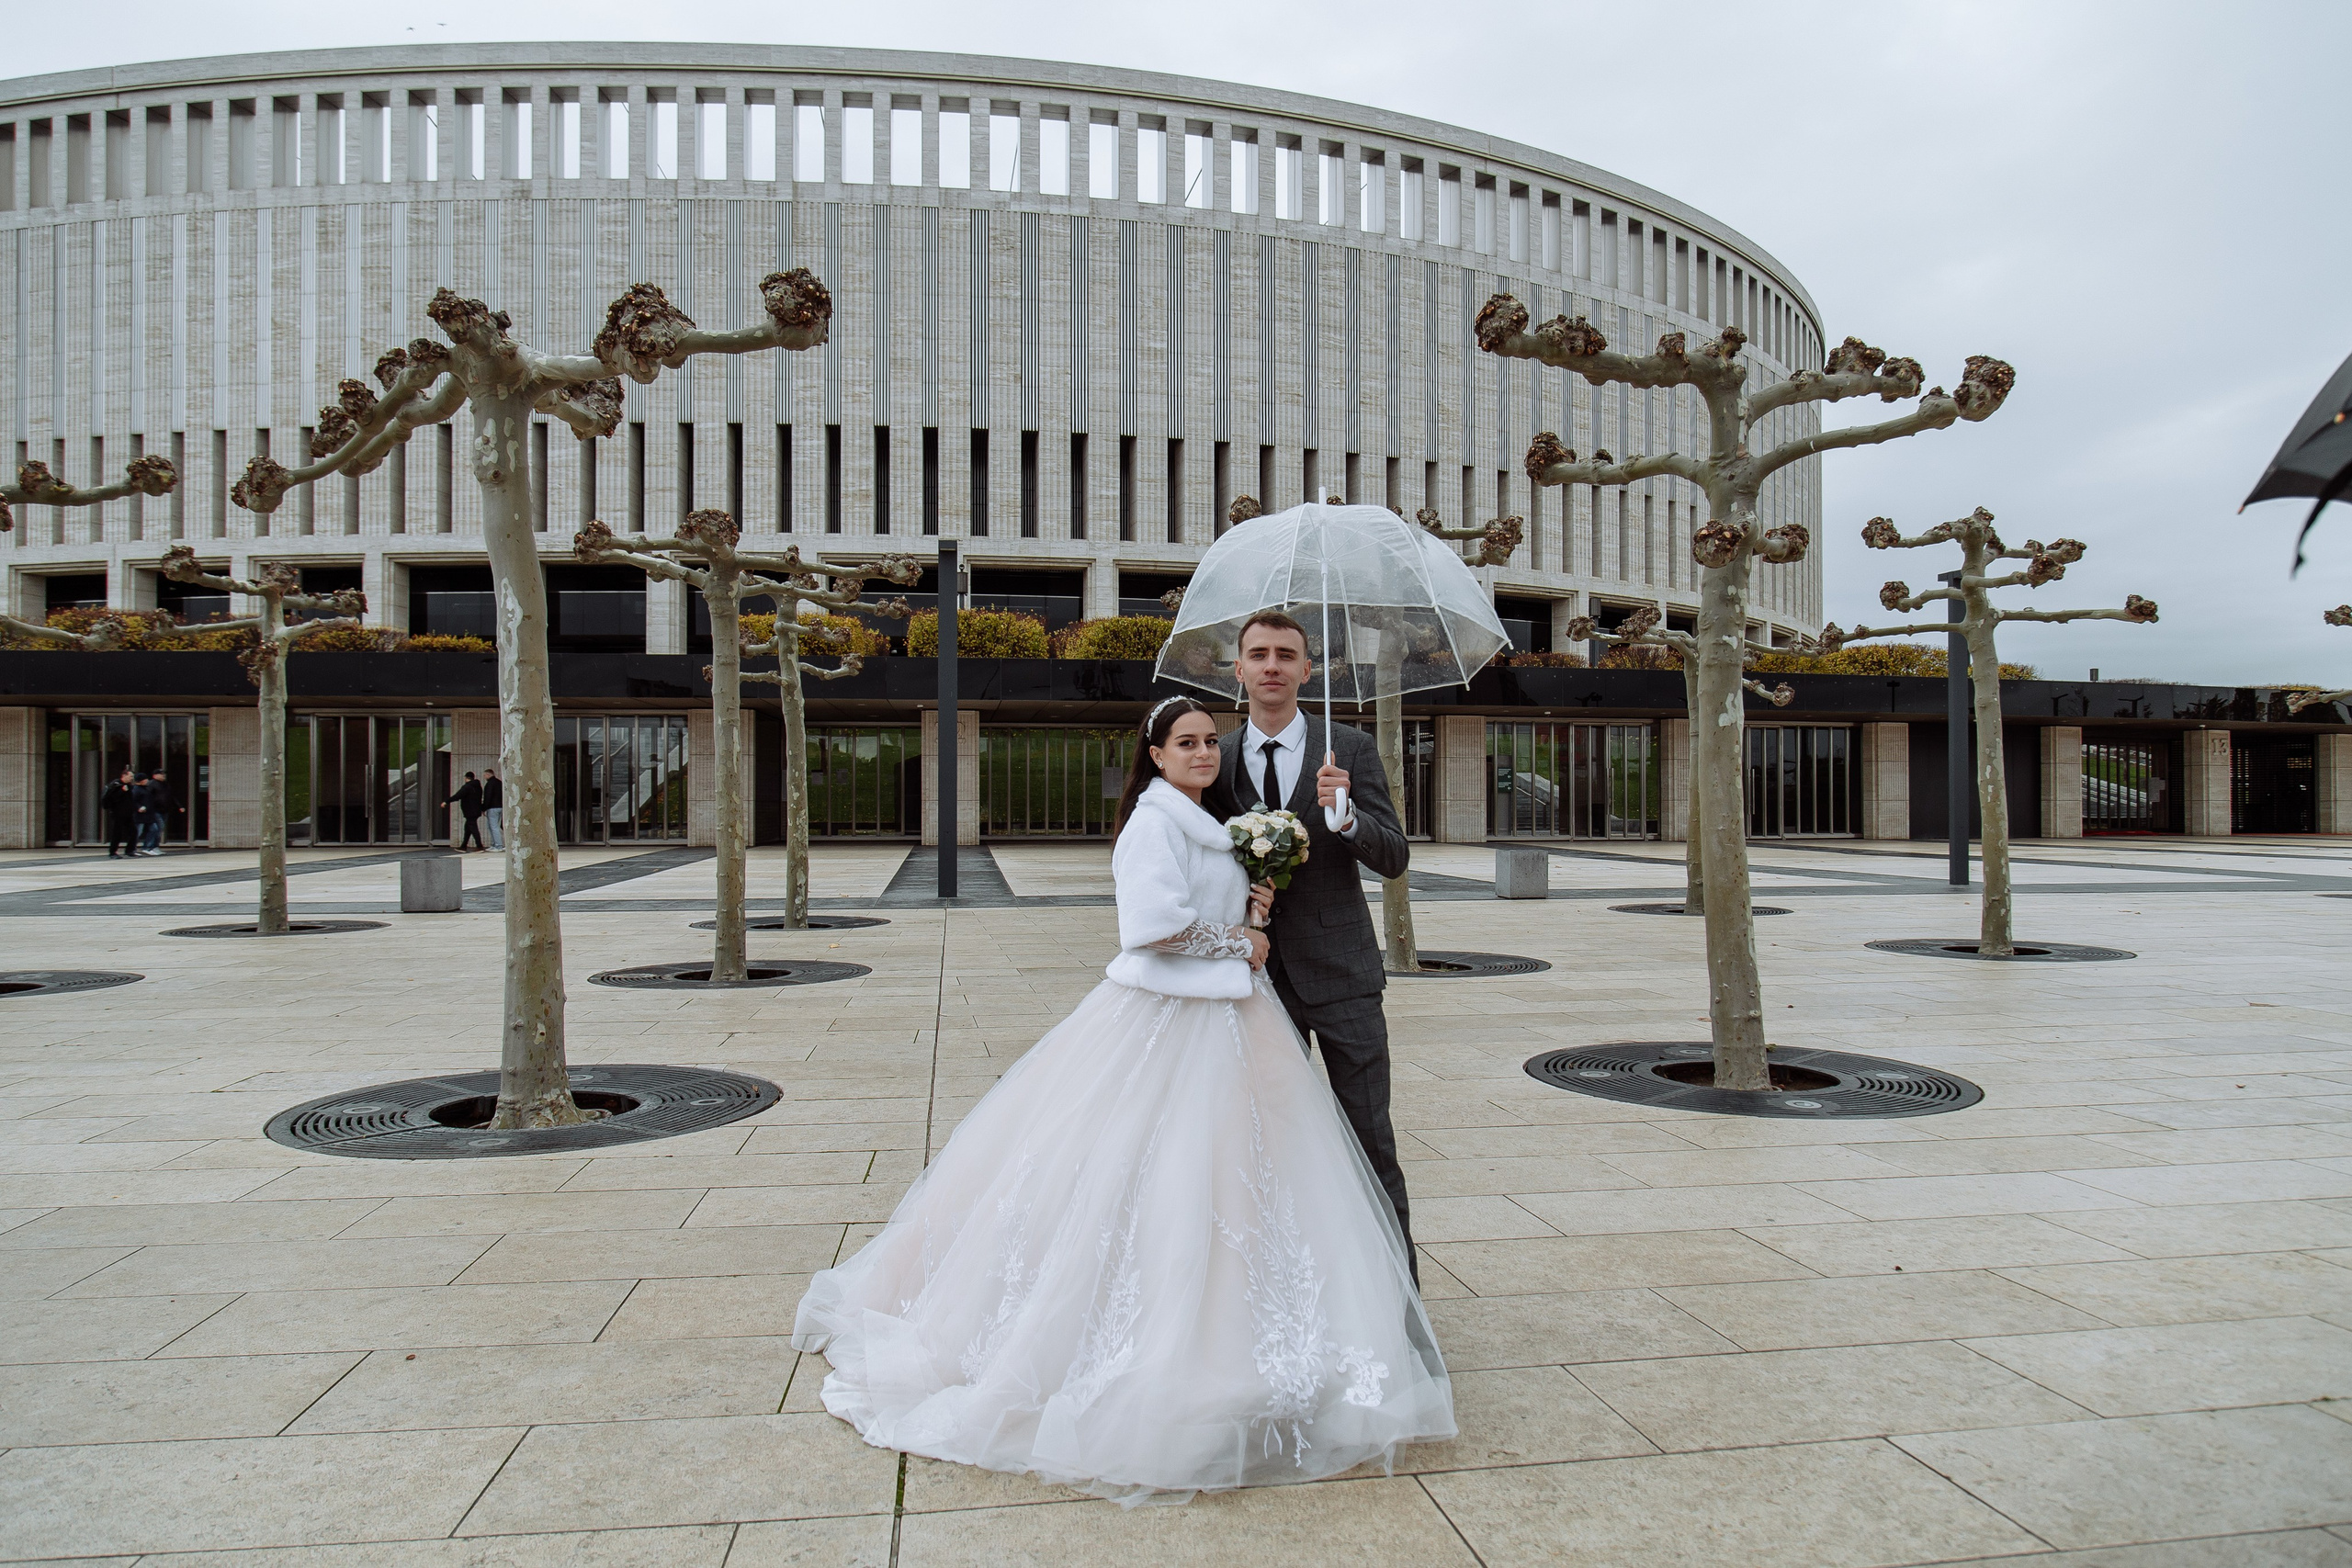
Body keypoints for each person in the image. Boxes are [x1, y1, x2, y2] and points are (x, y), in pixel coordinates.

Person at [793, 695, 1453, 1504]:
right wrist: (1239, 941)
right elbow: (1148, 926)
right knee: (1154, 1172)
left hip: (1234, 1012)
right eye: (1188, 742)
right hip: (1169, 1016)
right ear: (1156, 751)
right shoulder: (1154, 821)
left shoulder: (1206, 818)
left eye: (1212, 740)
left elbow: (1247, 894)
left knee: (1254, 1177)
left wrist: (1254, 903)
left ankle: (1287, 1325)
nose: (1205, 752)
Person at [1204, 611, 1419, 1280]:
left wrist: (1347, 816)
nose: (1272, 665)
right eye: (1258, 654)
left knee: (1369, 1140)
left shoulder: (1348, 749)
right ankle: (1295, 1296)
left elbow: (1395, 857)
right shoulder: (1216, 759)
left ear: (1306, 669)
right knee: (1273, 1147)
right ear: (1238, 669)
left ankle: (1398, 1299)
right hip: (1257, 986)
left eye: (1286, 655)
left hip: (1346, 977)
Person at [137, 769, 179, 856]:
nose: (163, 775)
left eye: (164, 774)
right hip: (155, 810)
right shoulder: (152, 784)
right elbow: (147, 796)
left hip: (164, 810)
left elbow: (171, 796)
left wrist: (179, 806)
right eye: (161, 774)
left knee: (159, 829)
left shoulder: (165, 784)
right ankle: (148, 846)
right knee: (157, 828)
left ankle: (154, 846)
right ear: (155, 775)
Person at [100, 768, 141, 859]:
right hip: (118, 813)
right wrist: (122, 791)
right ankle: (113, 852)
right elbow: (112, 799)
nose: (131, 778)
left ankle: (130, 850)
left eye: (132, 777)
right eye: (130, 776)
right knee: (117, 833)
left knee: (133, 831)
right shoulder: (116, 785)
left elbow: (130, 800)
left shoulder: (129, 786)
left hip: (128, 813)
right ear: (124, 775)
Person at [445, 772, 485, 851]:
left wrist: (447, 801)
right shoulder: (478, 787)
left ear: (466, 778)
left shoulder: (467, 787)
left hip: (469, 810)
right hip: (476, 810)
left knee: (473, 828)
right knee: (468, 828)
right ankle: (464, 846)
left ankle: (479, 846)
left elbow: (458, 796)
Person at [481, 767, 503, 850]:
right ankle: (494, 844)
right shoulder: (499, 783)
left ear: (488, 774)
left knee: (493, 827)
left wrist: (484, 808)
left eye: (484, 775)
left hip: (492, 807)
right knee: (492, 826)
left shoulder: (489, 784)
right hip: (500, 806)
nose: (484, 777)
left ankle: (498, 845)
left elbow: (488, 797)